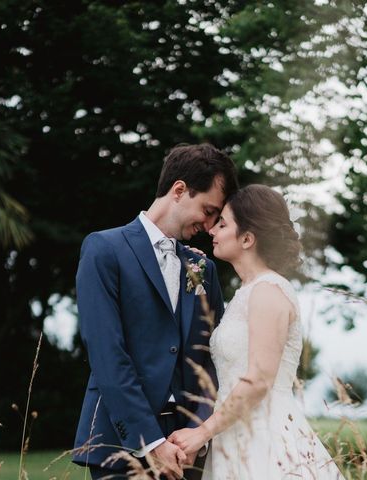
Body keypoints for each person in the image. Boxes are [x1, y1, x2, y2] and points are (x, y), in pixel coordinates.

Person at [72, 143, 238, 479]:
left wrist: (197, 433)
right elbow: (107, 354)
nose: (209, 226)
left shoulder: (201, 268)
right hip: (122, 447)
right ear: (179, 190)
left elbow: (213, 357)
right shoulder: (105, 249)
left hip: (188, 450)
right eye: (208, 211)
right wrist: (152, 442)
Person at [168, 184, 346, 479]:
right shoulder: (247, 292)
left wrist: (202, 433)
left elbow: (259, 381)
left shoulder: (268, 291)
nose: (212, 230)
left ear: (248, 238)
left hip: (267, 440)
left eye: (223, 224)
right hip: (236, 435)